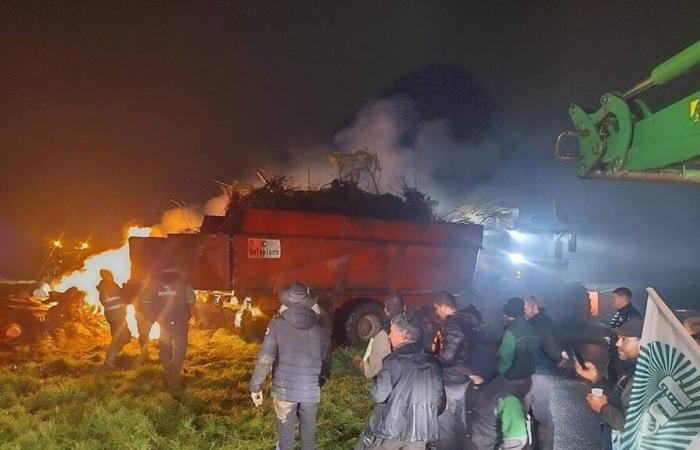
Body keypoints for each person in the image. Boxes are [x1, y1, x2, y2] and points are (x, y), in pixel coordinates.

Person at [249, 282, 331, 450]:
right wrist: (318, 383)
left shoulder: (277, 325)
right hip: (310, 391)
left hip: (284, 391)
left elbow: (265, 358)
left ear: (287, 302)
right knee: (308, 439)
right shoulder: (321, 329)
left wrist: (255, 387)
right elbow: (326, 362)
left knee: (286, 439)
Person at [356, 313, 445, 450]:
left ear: (403, 334)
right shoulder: (433, 363)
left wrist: (375, 380)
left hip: (391, 431)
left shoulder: (393, 361)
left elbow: (379, 395)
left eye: (392, 331)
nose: (389, 336)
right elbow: (440, 402)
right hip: (422, 432)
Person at [576, 318, 642, 449]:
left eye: (625, 339)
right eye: (618, 338)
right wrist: (596, 378)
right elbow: (620, 396)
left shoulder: (643, 376)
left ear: (643, 343)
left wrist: (603, 408)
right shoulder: (633, 367)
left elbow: (632, 425)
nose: (617, 343)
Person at [431, 291, 482, 450]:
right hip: (462, 377)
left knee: (445, 422)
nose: (436, 312)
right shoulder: (465, 320)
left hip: (451, 380)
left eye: (436, 308)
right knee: (460, 421)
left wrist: (431, 360)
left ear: (443, 306)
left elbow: (448, 356)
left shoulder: (453, 324)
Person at [142, 265, 196, 388]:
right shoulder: (183, 284)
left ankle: (169, 371)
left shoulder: (153, 284)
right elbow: (192, 302)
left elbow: (145, 302)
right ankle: (174, 373)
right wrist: (192, 316)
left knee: (165, 348)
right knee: (180, 348)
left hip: (164, 322)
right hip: (180, 321)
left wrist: (153, 317)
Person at [468, 348, 528, 450]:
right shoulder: (474, 386)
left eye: (477, 371)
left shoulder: (507, 396)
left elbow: (515, 441)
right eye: (471, 372)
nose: (472, 376)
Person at [523, 295, 563, 450]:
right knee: (536, 415)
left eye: (526, 308)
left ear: (534, 307)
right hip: (535, 373)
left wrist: (558, 357)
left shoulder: (540, 323)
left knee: (543, 417)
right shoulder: (537, 321)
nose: (524, 311)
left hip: (540, 374)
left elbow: (551, 349)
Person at [498, 297, 540, 411]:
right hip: (528, 379)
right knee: (523, 410)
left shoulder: (511, 332)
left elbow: (505, 361)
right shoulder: (532, 329)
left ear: (507, 314)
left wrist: (497, 375)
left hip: (512, 381)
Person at [354, 294, 406, 380]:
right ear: (405, 307)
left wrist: (359, 363)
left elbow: (372, 372)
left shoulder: (384, 335)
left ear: (385, 310)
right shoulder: (417, 328)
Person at [96, 269, 131, 367]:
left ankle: (112, 357)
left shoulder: (109, 286)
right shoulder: (107, 287)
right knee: (119, 338)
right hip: (115, 314)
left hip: (116, 314)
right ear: (106, 276)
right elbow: (115, 299)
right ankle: (110, 360)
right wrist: (123, 293)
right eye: (109, 275)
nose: (111, 276)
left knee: (125, 336)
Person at [607, 287, 641, 380]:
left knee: (621, 384)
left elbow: (633, 337)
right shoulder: (619, 314)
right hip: (615, 356)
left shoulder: (632, 316)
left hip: (623, 359)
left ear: (622, 298)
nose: (611, 301)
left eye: (614, 298)